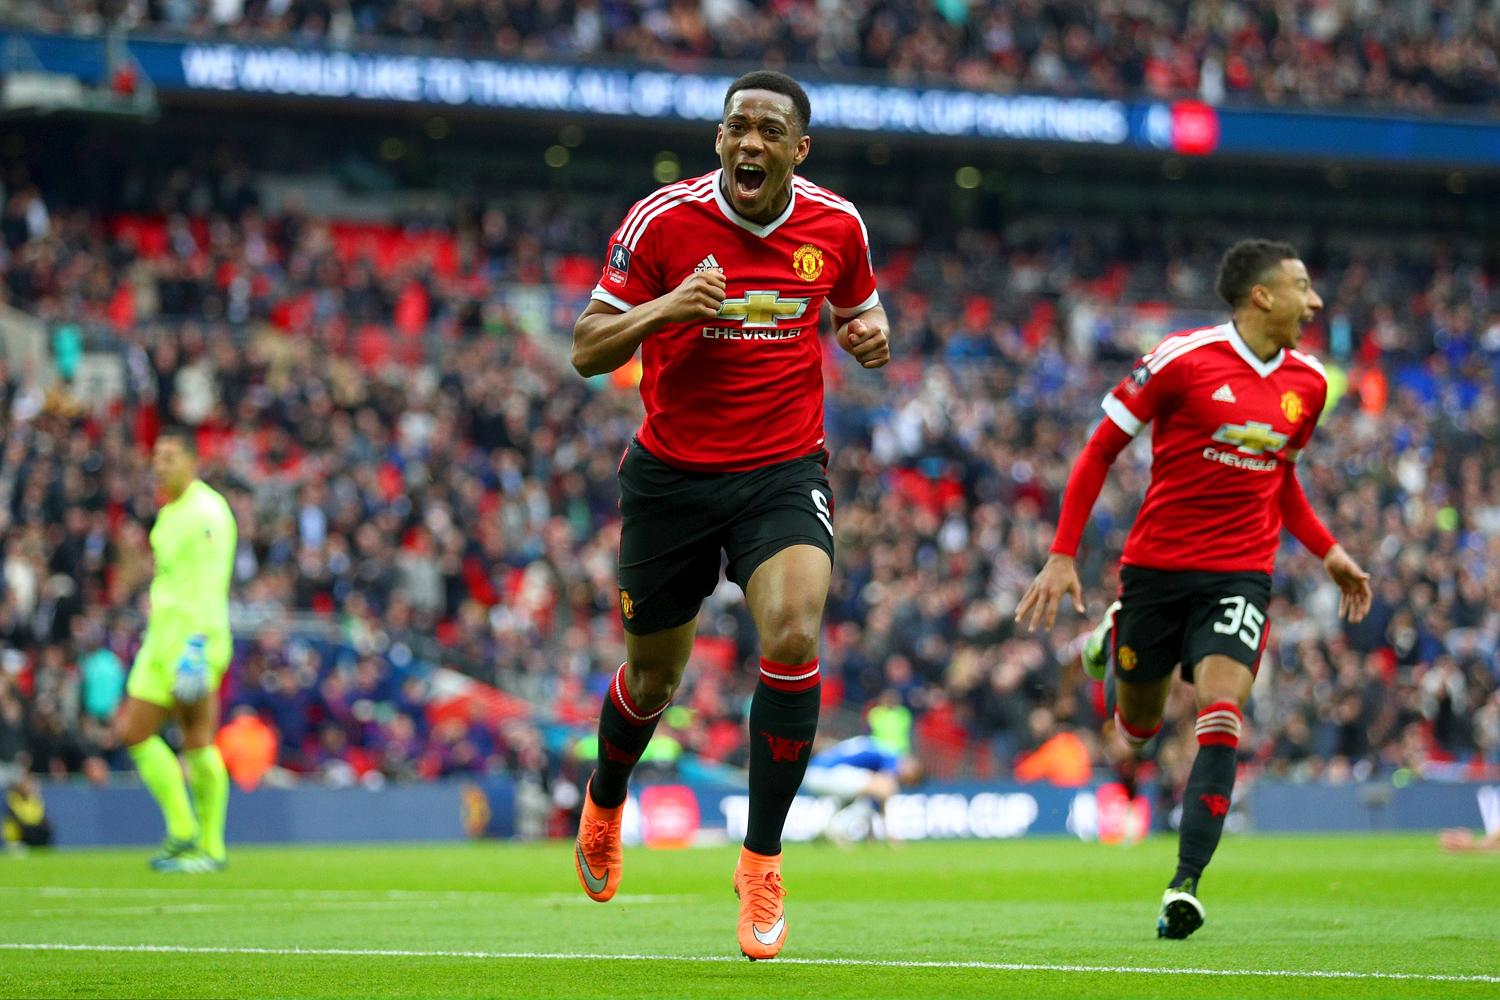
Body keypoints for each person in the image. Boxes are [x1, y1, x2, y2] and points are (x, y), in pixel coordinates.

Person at [569, 69, 890, 959]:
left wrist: (873, 338)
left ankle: (760, 861)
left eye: (768, 131)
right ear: (719, 140)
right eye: (736, 128)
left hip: (782, 470)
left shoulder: (838, 225)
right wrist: (671, 304)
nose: (750, 143)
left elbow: (865, 316)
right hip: (671, 478)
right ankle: (605, 796)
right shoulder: (661, 221)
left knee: (792, 634)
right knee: (653, 683)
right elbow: (586, 350)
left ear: (798, 149)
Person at [1015, 239, 1372, 940]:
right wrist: (1062, 556)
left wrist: (1327, 551)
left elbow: (1282, 480)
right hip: (1156, 571)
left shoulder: (1310, 383)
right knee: (1136, 733)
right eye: (1303, 286)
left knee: (1222, 707)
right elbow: (1099, 449)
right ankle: (1116, 636)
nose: (1317, 301)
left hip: (1241, 572)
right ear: (1261, 295)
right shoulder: (1181, 359)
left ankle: (1185, 884)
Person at [112, 428, 237, 873]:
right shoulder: (169, 513)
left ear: (191, 461)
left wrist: (198, 645)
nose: (159, 465)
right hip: (160, 637)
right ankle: (182, 829)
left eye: (169, 457)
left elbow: (208, 583)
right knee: (133, 732)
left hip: (194, 640)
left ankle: (211, 846)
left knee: (196, 739)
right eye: (156, 457)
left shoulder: (207, 512)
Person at [802, 735, 921, 844]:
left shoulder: (878, 746)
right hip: (826, 773)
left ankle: (824, 829)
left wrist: (871, 833)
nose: (904, 781)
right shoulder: (891, 758)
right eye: (909, 779)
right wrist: (891, 833)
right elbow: (885, 790)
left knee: (861, 797)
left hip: (814, 772)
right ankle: (835, 828)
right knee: (883, 789)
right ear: (910, 765)